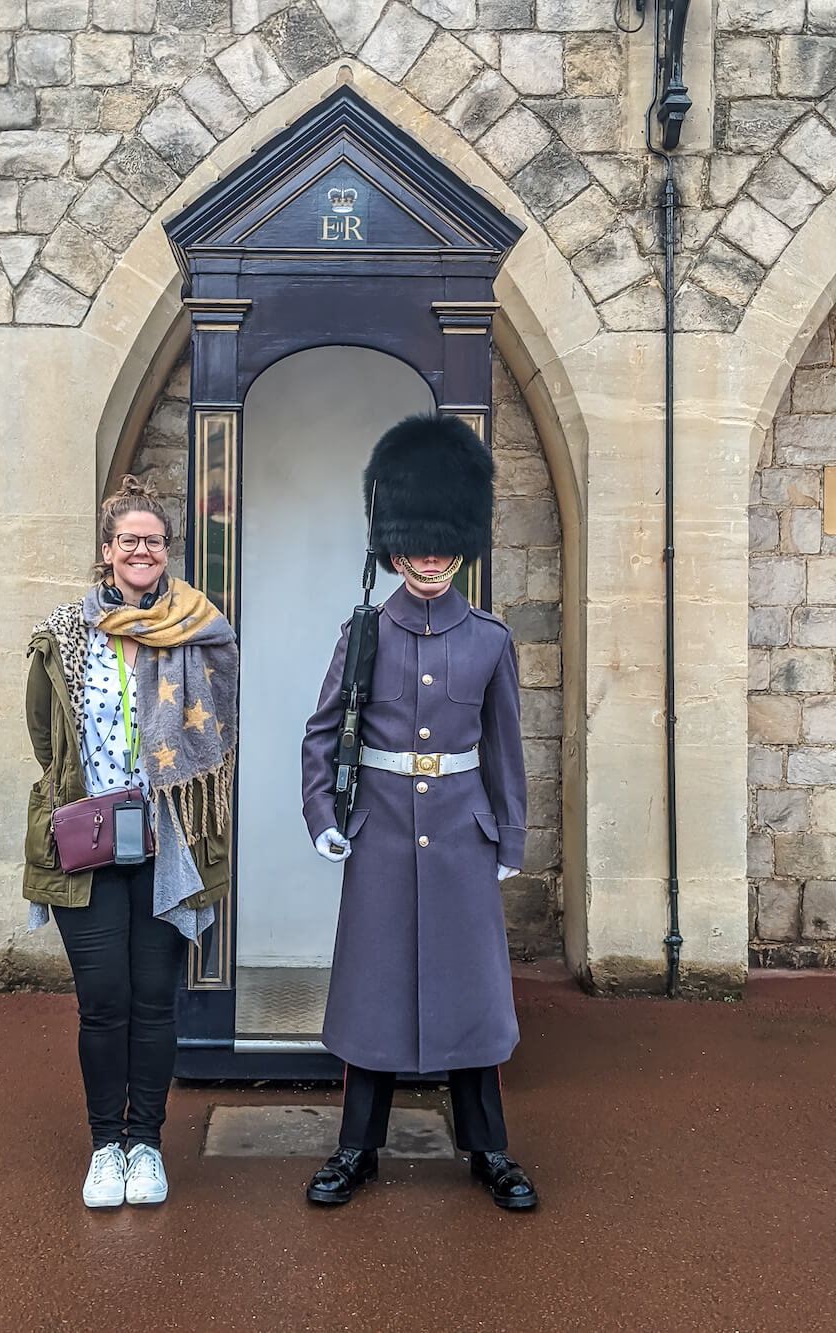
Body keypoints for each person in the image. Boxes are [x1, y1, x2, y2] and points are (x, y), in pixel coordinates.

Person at [301, 415, 538, 1211]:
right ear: (394, 545)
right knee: (372, 994)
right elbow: (323, 731)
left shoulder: (489, 640)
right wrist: (321, 813)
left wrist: (511, 832)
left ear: (460, 544)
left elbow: (505, 746)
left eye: (443, 545)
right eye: (417, 545)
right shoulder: (363, 633)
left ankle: (490, 1150)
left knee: (472, 995)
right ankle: (354, 1149)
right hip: (382, 837)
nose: (430, 559)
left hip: (463, 838)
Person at [23, 475, 237, 1209]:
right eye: (128, 540)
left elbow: (224, 724)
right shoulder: (63, 633)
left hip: (168, 831)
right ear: (106, 552)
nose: (141, 550)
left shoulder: (198, 627)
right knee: (102, 1000)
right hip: (89, 836)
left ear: (166, 551)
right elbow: (45, 735)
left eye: (153, 540)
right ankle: (103, 1146)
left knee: (154, 998)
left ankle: (145, 1142)